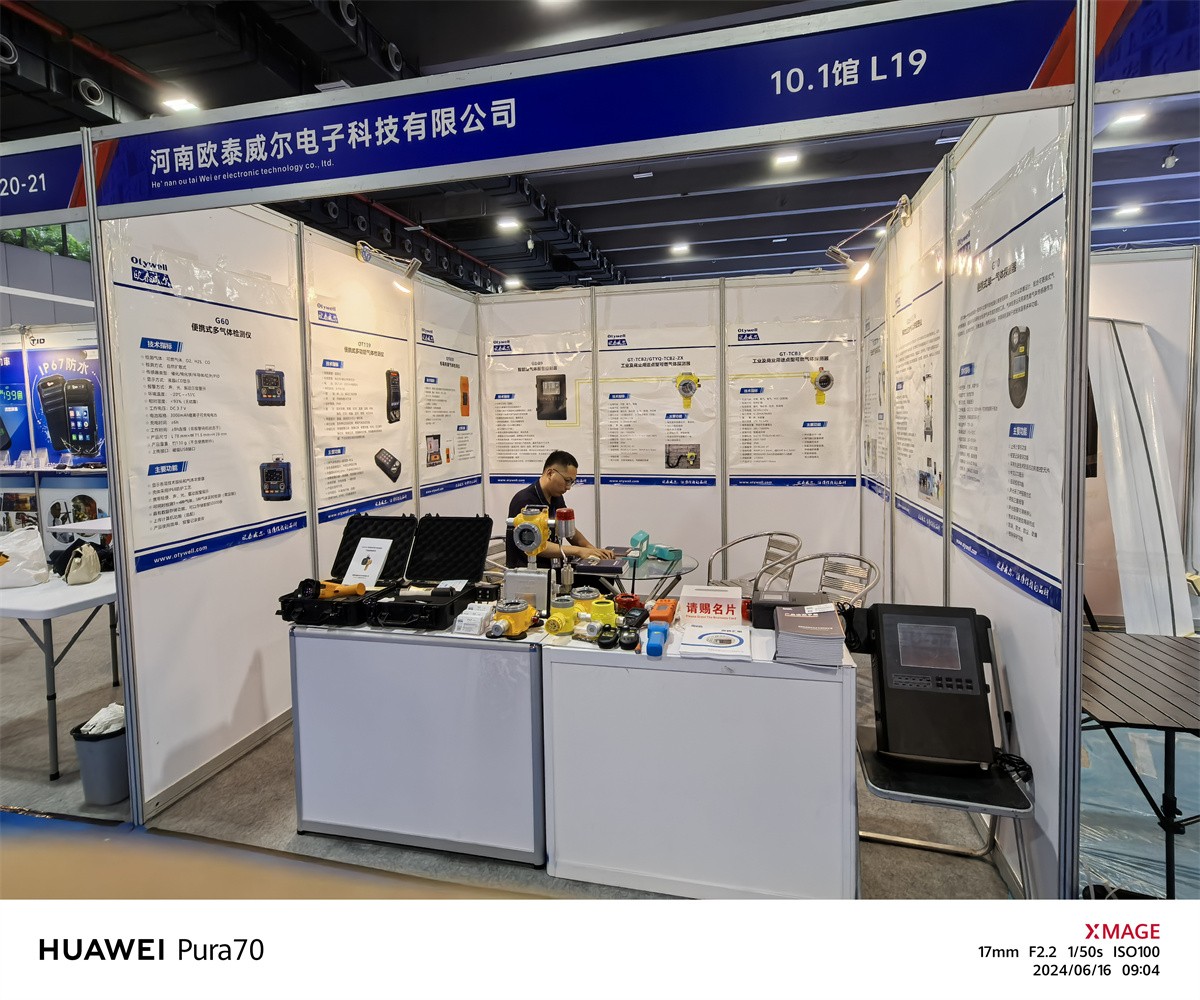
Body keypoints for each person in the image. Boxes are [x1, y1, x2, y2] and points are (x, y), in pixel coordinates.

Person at [506, 450, 612, 568]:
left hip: (553, 566)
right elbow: (535, 545)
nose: (568, 487)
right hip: (529, 569)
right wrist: (579, 551)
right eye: (567, 480)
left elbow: (569, 530)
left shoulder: (556, 497)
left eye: (572, 482)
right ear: (550, 473)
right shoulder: (525, 501)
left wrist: (592, 550)